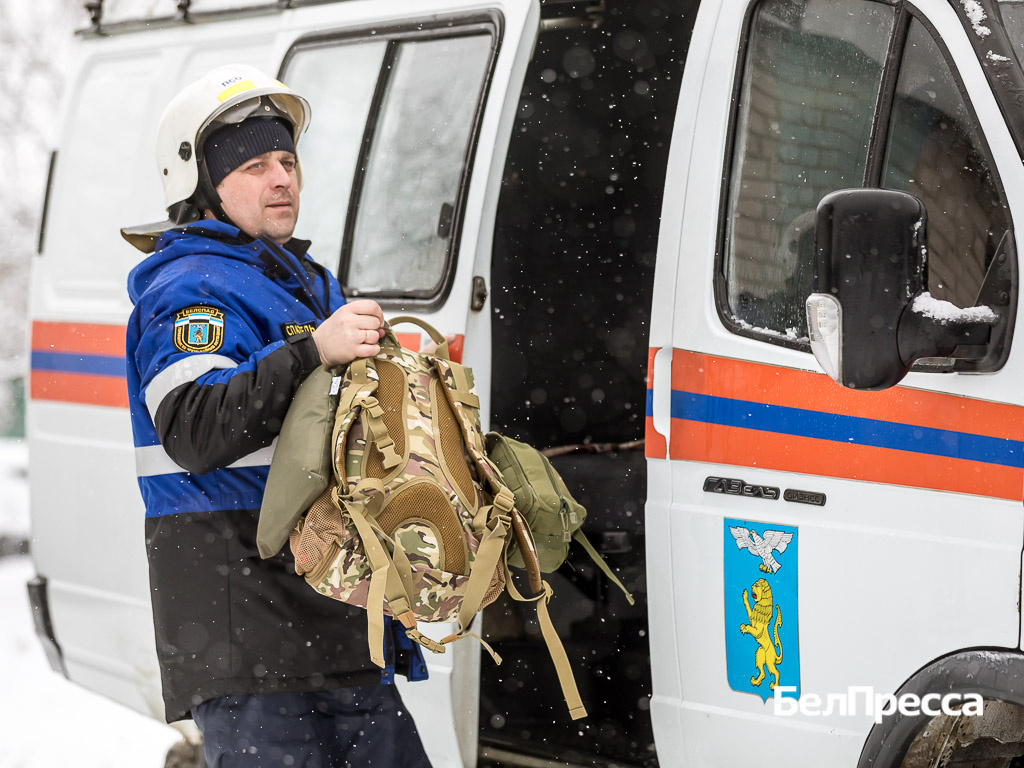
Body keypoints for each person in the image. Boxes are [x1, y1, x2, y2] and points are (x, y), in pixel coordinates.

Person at [122, 64, 432, 768]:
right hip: (247, 634)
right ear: (201, 184)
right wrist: (313, 354)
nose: (281, 178)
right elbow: (196, 428)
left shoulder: (304, 283)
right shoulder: (189, 290)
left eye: (287, 160)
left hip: (336, 614)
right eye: (256, 165)